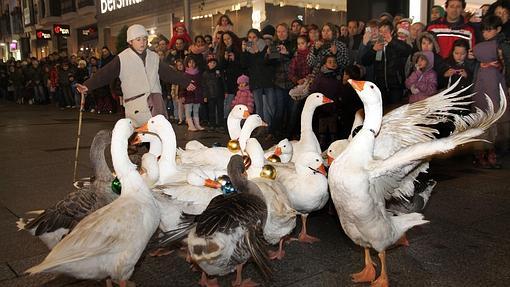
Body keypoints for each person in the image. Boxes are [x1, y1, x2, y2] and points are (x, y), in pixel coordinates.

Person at [76, 24, 195, 127]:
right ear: (130, 42)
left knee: (159, 136)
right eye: (138, 39)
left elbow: (168, 73)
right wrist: (87, 85)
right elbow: (104, 74)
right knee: (136, 136)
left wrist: (185, 82)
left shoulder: (153, 56)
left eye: (144, 39)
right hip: (136, 104)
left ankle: (158, 152)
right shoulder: (122, 58)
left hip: (155, 101)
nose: (142, 42)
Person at [472, 15, 509, 168]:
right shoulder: (489, 46)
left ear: (498, 29)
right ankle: (482, 154)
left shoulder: (502, 45)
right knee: (485, 118)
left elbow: (507, 65)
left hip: (495, 84)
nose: (485, 33)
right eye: (484, 30)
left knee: (493, 119)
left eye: (489, 30)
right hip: (484, 84)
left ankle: (490, 154)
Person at [361, 20, 411, 106]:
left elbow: (407, 51)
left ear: (391, 31)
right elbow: (365, 62)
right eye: (381, 31)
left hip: (396, 86)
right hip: (380, 86)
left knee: (395, 111)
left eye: (386, 31)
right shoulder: (375, 45)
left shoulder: (397, 44)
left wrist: (391, 41)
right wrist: (374, 50)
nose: (383, 33)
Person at [309, 55, 342, 149]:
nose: (333, 64)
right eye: (330, 62)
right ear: (325, 64)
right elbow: (314, 90)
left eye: (334, 62)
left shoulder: (337, 76)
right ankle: (321, 145)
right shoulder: (320, 77)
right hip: (322, 107)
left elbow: (339, 90)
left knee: (333, 127)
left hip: (333, 106)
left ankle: (333, 145)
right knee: (322, 127)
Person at [181, 57, 204, 131]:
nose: (191, 64)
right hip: (188, 95)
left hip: (197, 95)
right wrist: (182, 95)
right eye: (190, 62)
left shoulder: (198, 74)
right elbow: (182, 86)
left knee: (196, 110)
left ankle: (197, 124)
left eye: (193, 62)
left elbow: (201, 84)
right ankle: (190, 125)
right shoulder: (185, 74)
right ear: (187, 64)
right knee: (188, 110)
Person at [202, 57, 225, 130]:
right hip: (210, 94)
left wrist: (225, 91)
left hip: (219, 93)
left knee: (220, 110)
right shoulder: (205, 73)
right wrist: (205, 96)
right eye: (211, 63)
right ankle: (212, 124)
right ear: (208, 64)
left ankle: (221, 124)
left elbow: (223, 82)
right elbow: (204, 85)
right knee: (211, 110)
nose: (212, 64)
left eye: (214, 63)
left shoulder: (219, 72)